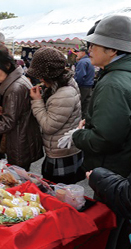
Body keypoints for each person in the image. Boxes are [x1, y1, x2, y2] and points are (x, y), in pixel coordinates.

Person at [72, 15, 131, 249]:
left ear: (112, 49)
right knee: (123, 238)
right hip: (129, 173)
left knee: (111, 239)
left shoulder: (115, 83)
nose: (89, 50)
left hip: (115, 173)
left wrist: (78, 134)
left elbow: (106, 139)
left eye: (95, 45)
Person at [28, 47, 83, 184]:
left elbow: (48, 126)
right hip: (62, 148)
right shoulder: (64, 83)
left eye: (41, 76)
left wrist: (37, 101)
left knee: (58, 192)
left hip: (62, 153)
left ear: (50, 75)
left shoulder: (64, 94)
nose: (40, 79)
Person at [74, 46, 95, 118]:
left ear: (82, 53)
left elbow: (80, 76)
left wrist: (76, 85)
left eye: (78, 52)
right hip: (89, 86)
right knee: (86, 106)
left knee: (79, 106)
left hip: (82, 86)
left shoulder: (82, 62)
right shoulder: (89, 60)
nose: (77, 54)